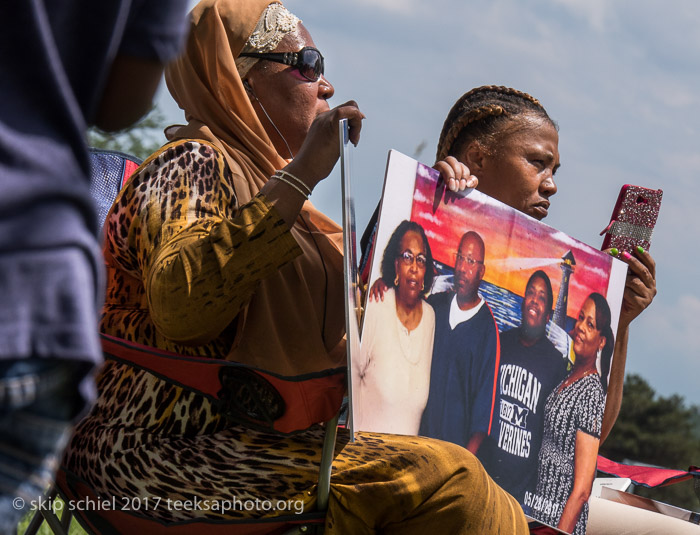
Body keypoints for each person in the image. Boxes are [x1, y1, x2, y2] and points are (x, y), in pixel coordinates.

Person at [62, 2, 528, 533]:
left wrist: (443, 208)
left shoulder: (294, 210)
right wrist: (303, 172)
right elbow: (183, 307)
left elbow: (371, 330)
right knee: (454, 485)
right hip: (154, 451)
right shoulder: (189, 163)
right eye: (306, 64)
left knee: (492, 494)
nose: (326, 85)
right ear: (239, 80)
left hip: (258, 440)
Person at [362, 85, 656, 444]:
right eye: (537, 163)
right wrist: (426, 197)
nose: (551, 186)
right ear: (478, 159)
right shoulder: (416, 237)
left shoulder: (545, 338)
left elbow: (589, 435)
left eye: (554, 170)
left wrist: (621, 323)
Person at [0, 1, 187, 531]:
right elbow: (121, 100)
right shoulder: (194, 174)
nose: (324, 82)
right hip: (41, 292)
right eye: (304, 63)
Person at [526, 293, 613, 535]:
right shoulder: (567, 377)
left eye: (591, 324)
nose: (581, 327)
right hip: (540, 512)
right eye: (581, 318)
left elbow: (583, 489)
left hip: (561, 523)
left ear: (602, 341)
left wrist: (559, 531)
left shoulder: (593, 392)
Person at [479, 270, 569, 503]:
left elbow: (555, 434)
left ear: (549, 314)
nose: (534, 300)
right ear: (522, 301)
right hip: (483, 477)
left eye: (542, 297)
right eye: (531, 293)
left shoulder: (556, 364)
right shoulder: (501, 343)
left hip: (521, 494)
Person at [417, 231, 500, 454]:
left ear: (481, 271)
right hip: (415, 443)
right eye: (460, 258)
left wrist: (460, 468)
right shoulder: (435, 306)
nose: (462, 267)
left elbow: (483, 421)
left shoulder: (487, 330)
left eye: (471, 261)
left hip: (450, 457)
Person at [355, 220, 435, 434]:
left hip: (404, 462)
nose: (415, 267)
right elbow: (348, 382)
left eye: (421, 259)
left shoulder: (430, 317)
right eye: (407, 257)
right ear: (396, 264)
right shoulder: (377, 304)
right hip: (363, 457)